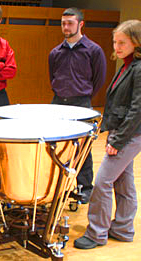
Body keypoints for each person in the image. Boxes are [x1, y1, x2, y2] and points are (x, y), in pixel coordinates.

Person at [74, 19, 141, 249]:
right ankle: (123, 229)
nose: (117, 47)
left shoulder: (139, 68)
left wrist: (118, 140)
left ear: (136, 42)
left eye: (122, 42)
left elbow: (137, 109)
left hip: (129, 134)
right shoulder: (127, 64)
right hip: (123, 131)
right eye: (115, 42)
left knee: (102, 182)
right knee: (124, 181)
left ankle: (96, 234)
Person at [48, 7, 107, 204]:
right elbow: (52, 77)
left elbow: (98, 79)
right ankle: (57, 186)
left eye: (70, 23)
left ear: (80, 24)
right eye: (63, 23)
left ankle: (84, 187)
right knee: (56, 146)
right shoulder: (55, 52)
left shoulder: (94, 50)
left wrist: (84, 96)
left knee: (83, 148)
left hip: (81, 103)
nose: (66, 27)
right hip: (58, 103)